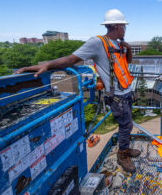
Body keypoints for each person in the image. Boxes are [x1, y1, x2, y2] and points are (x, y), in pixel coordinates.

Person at [15, 9, 140, 173]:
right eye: (124, 26)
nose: (125, 29)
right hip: (117, 96)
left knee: (127, 126)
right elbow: (71, 59)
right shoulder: (97, 42)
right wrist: (46, 65)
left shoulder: (117, 44)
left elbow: (126, 62)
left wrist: (128, 49)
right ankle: (122, 155)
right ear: (117, 26)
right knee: (126, 125)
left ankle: (125, 148)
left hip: (125, 92)